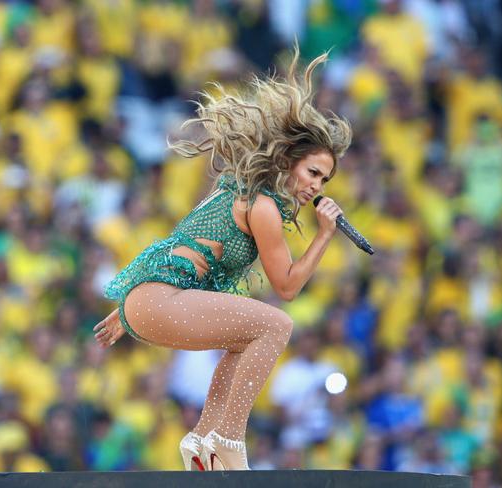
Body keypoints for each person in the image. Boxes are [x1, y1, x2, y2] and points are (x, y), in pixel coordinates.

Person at [93, 48, 352, 471]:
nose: (317, 187)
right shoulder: (263, 206)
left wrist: (129, 306)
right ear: (288, 162)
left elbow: (176, 244)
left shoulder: (234, 188)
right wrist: (324, 236)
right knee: (277, 325)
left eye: (325, 179)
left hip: (153, 299)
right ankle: (227, 438)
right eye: (312, 173)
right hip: (160, 300)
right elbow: (286, 288)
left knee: (243, 337)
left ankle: (202, 441)